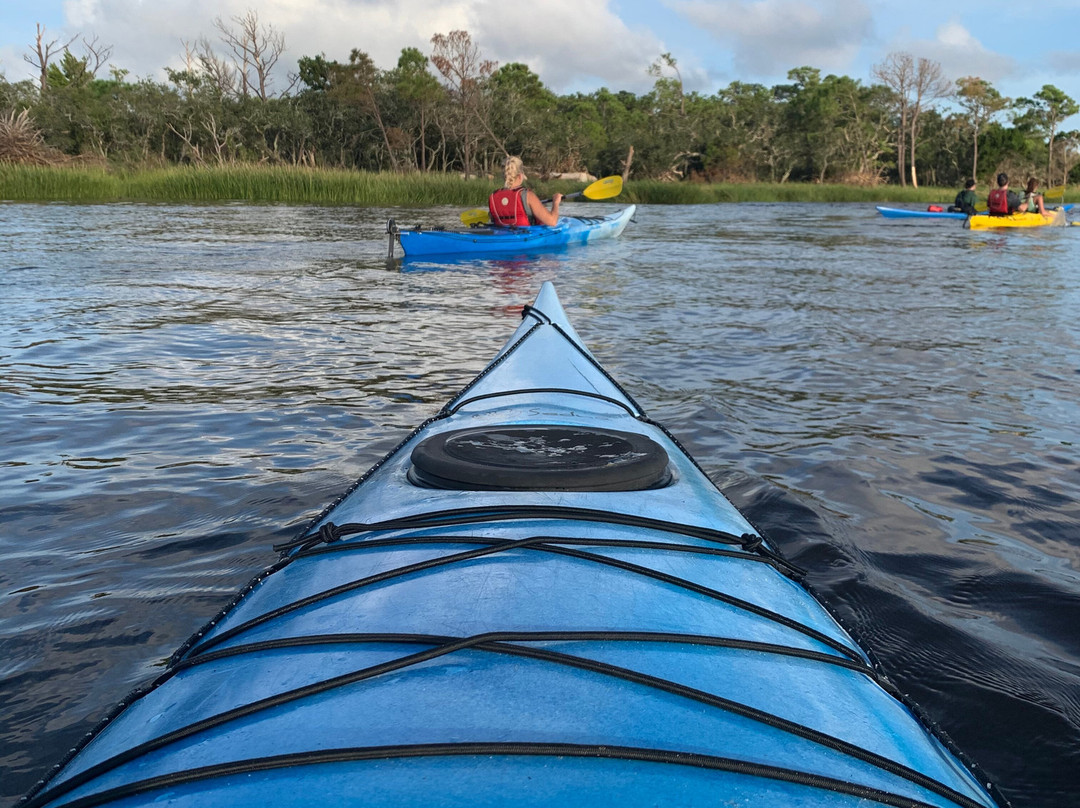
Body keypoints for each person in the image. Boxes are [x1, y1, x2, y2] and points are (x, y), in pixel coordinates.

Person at [488, 156, 563, 227]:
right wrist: (555, 203)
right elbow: (552, 222)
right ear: (520, 176)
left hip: (502, 237)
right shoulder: (527, 195)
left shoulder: (493, 196)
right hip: (525, 237)